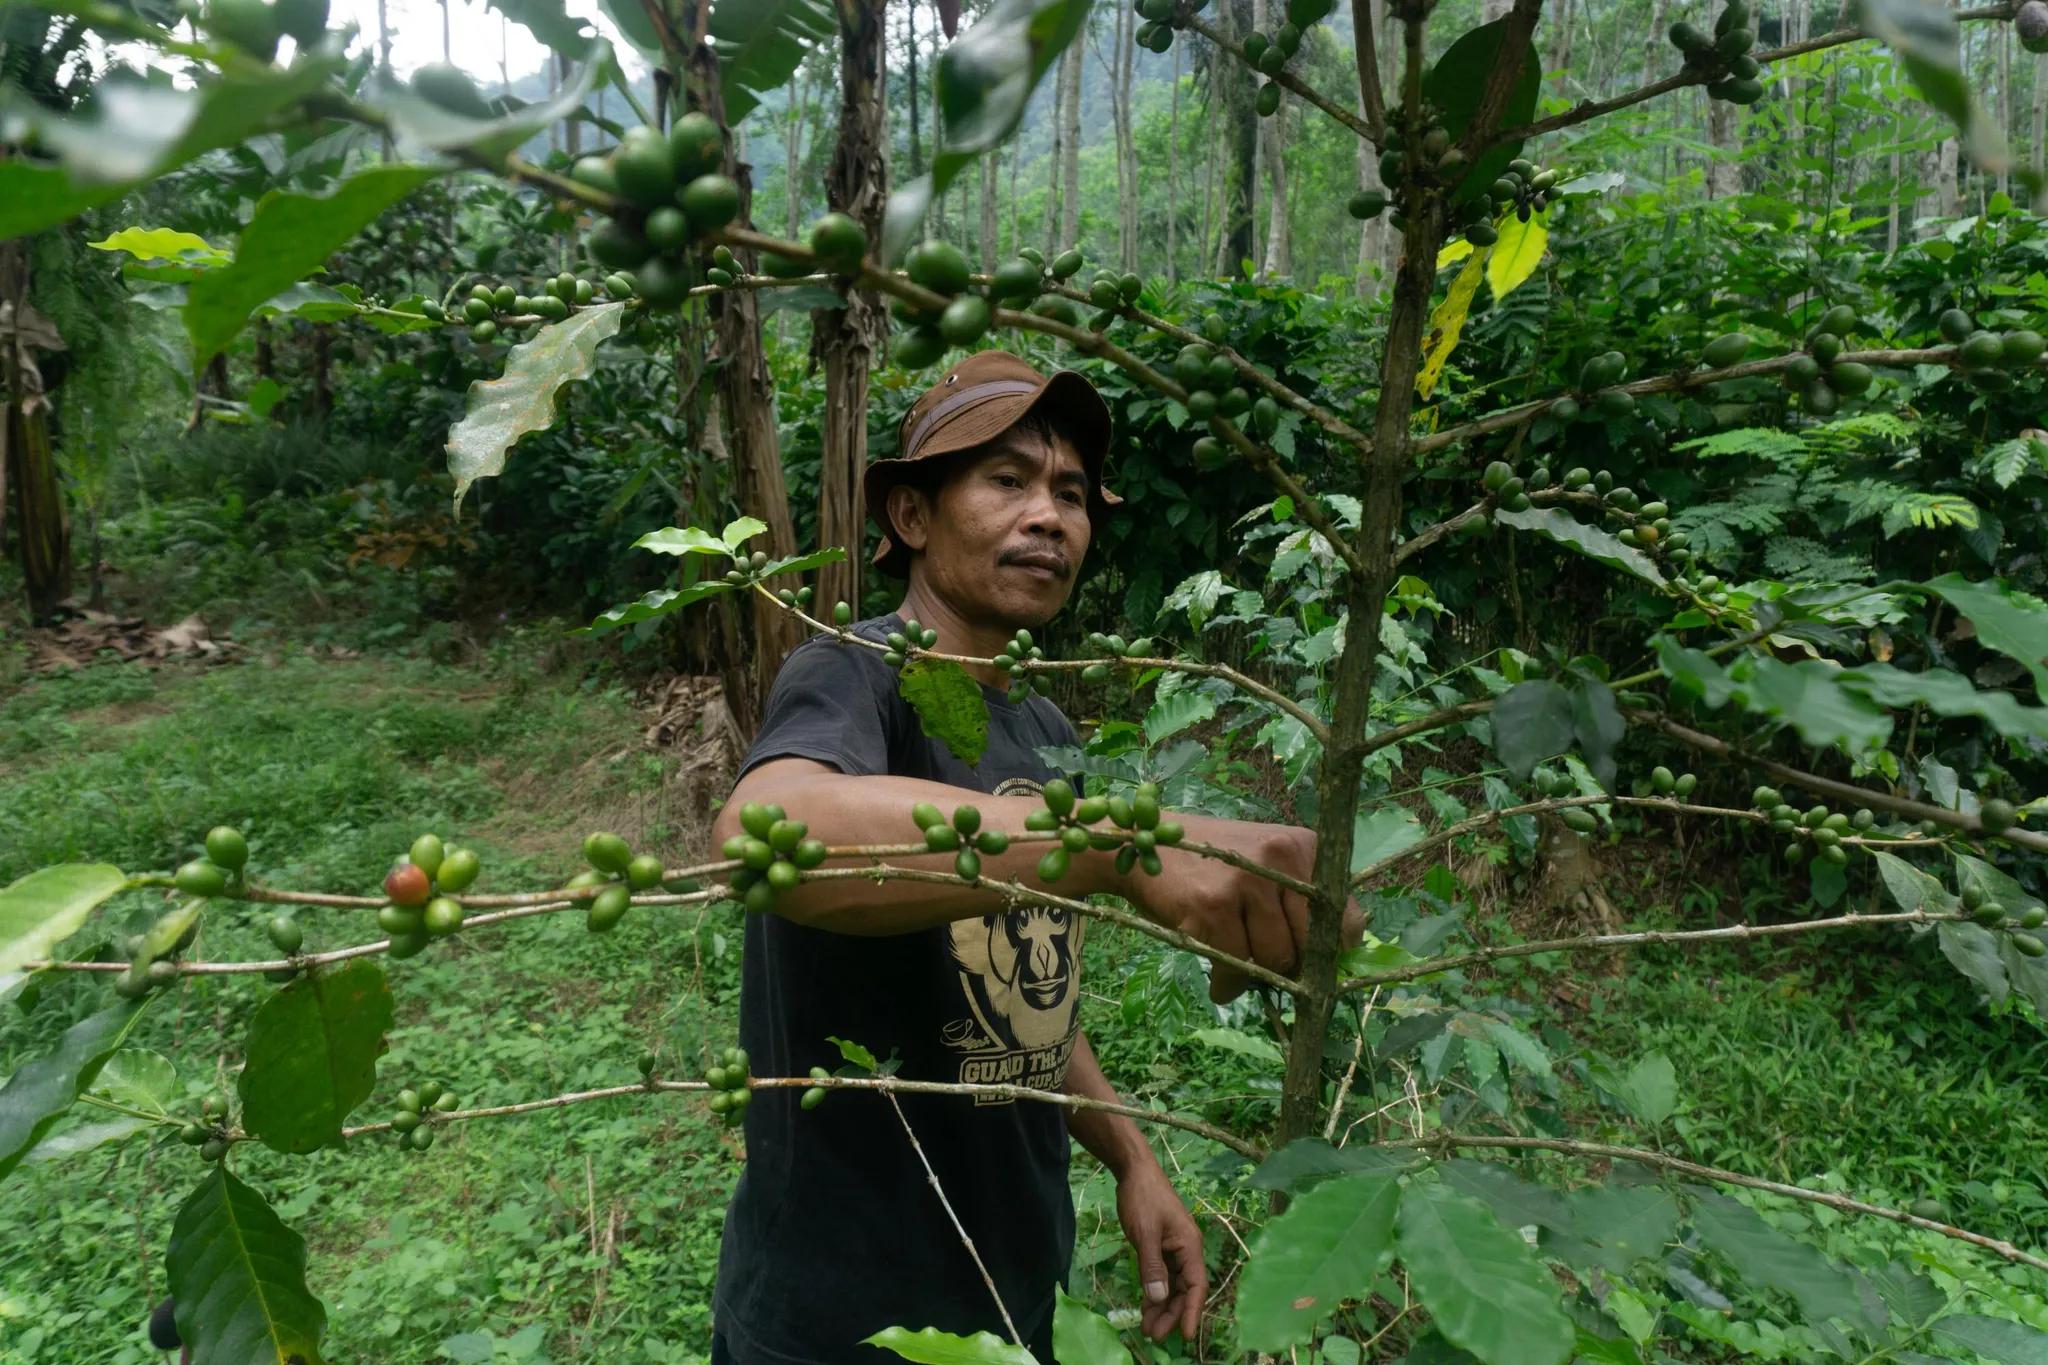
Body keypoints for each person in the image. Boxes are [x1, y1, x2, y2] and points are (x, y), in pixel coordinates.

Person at [708, 351, 1346, 1364]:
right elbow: (764, 837)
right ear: (912, 518)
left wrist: (1129, 1153)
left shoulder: (1042, 724)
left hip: (1012, 1285)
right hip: (839, 1315)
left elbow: (1011, 991)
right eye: (1006, 481)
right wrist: (1124, 847)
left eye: (1071, 493)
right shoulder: (855, 671)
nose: (1049, 516)